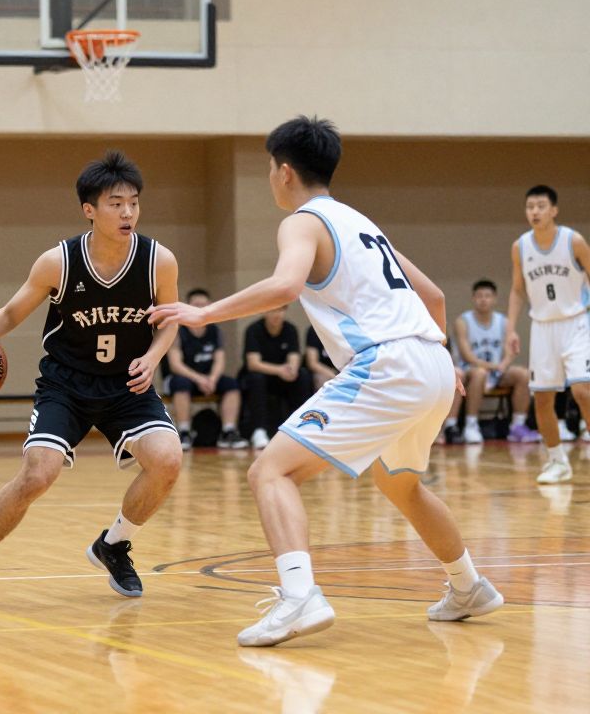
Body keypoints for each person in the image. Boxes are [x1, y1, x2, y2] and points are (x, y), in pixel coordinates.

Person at [150, 116, 503, 647]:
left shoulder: (302, 222)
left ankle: (299, 597)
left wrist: (203, 314)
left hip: (388, 364)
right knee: (401, 483)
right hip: (428, 360)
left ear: (285, 172)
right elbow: (431, 295)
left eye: (270, 169)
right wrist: (440, 357)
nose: (271, 178)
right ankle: (468, 585)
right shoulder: (360, 222)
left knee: (270, 471)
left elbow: (286, 285)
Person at [0, 150, 183, 606]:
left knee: (168, 460)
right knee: (37, 475)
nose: (127, 211)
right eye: (115, 203)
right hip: (67, 386)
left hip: (126, 387)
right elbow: (11, 312)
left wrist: (153, 356)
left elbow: (169, 318)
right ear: (89, 210)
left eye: (133, 202)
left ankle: (113, 545)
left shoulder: (158, 261)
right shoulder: (59, 261)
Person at [505, 184, 590, 484]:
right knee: (542, 399)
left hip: (577, 322)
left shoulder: (573, 241)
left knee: (583, 391)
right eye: (530, 206)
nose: (535, 212)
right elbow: (517, 290)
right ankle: (557, 462)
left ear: (554, 210)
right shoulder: (521, 247)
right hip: (542, 327)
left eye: (541, 206)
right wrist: (511, 327)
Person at [447, 280, 539, 444]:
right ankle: (471, 425)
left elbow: (511, 351)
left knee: (522, 374)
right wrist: (495, 366)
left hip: (496, 372)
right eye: (480, 296)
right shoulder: (463, 321)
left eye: (487, 296)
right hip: (470, 371)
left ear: (494, 299)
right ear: (473, 298)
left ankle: (517, 426)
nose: (483, 299)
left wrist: (504, 364)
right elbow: (467, 356)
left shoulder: (503, 322)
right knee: (480, 373)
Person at [164, 288, 248, 450]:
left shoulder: (215, 331)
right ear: (188, 306)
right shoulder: (177, 330)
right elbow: (176, 365)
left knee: (231, 384)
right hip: (183, 378)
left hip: (209, 379)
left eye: (204, 305)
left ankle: (228, 432)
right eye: (196, 305)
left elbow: (219, 360)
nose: (200, 308)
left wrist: (212, 379)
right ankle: (184, 432)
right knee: (181, 384)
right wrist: (199, 379)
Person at [241, 306, 313, 450]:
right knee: (256, 378)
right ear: (264, 311)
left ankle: (301, 427)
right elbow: (253, 363)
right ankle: (259, 431)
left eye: (281, 310)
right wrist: (279, 370)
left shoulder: (290, 329)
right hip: (263, 376)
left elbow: (294, 356)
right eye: (273, 310)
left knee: (303, 375)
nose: (277, 314)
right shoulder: (253, 330)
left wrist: (292, 370)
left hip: (283, 378)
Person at [303, 324, 337, 390]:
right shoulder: (314, 329)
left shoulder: (341, 329)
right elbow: (313, 363)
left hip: (342, 369)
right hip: (322, 370)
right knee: (323, 380)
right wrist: (334, 375)